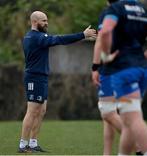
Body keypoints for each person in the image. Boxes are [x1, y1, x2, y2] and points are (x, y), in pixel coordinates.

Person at [93, 0, 147, 155]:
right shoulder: (144, 10)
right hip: (141, 70)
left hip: (123, 71)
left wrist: (105, 57)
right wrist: (143, 56)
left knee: (133, 119)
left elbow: (105, 32)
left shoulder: (115, 9)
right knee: (128, 120)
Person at [18, 11, 96, 153]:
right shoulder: (36, 37)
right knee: (32, 111)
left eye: (47, 20)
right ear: (35, 22)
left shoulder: (34, 36)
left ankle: (33, 143)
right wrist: (82, 35)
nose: (46, 23)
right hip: (34, 78)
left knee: (41, 111)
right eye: (43, 21)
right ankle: (23, 145)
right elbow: (60, 39)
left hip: (41, 77)